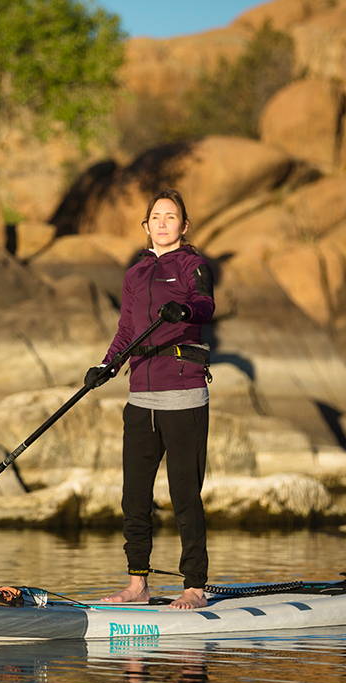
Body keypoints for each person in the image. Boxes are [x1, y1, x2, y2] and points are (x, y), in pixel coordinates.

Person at [85, 188, 214, 609]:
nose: (162, 223)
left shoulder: (193, 265)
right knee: (134, 496)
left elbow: (205, 304)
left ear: (184, 225)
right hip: (141, 395)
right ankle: (137, 583)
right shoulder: (135, 274)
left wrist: (187, 312)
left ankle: (194, 585)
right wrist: (106, 365)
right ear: (145, 226)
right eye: (155, 217)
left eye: (170, 217)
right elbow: (126, 330)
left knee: (184, 495)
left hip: (184, 394)